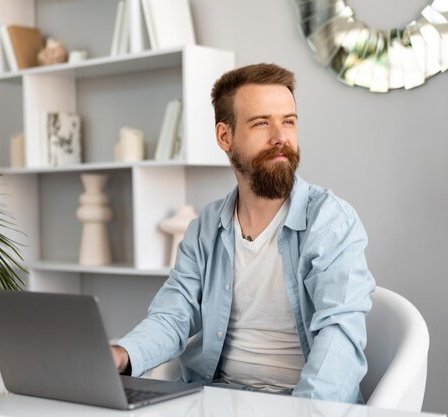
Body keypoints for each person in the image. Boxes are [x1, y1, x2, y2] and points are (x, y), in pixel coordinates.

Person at [111, 63, 375, 403]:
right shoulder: (205, 229)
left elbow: (341, 334)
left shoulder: (331, 222)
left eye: (289, 121)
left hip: (299, 402)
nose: (281, 137)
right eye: (262, 122)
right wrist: (121, 354)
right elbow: (172, 316)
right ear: (225, 136)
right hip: (213, 398)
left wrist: (302, 413)